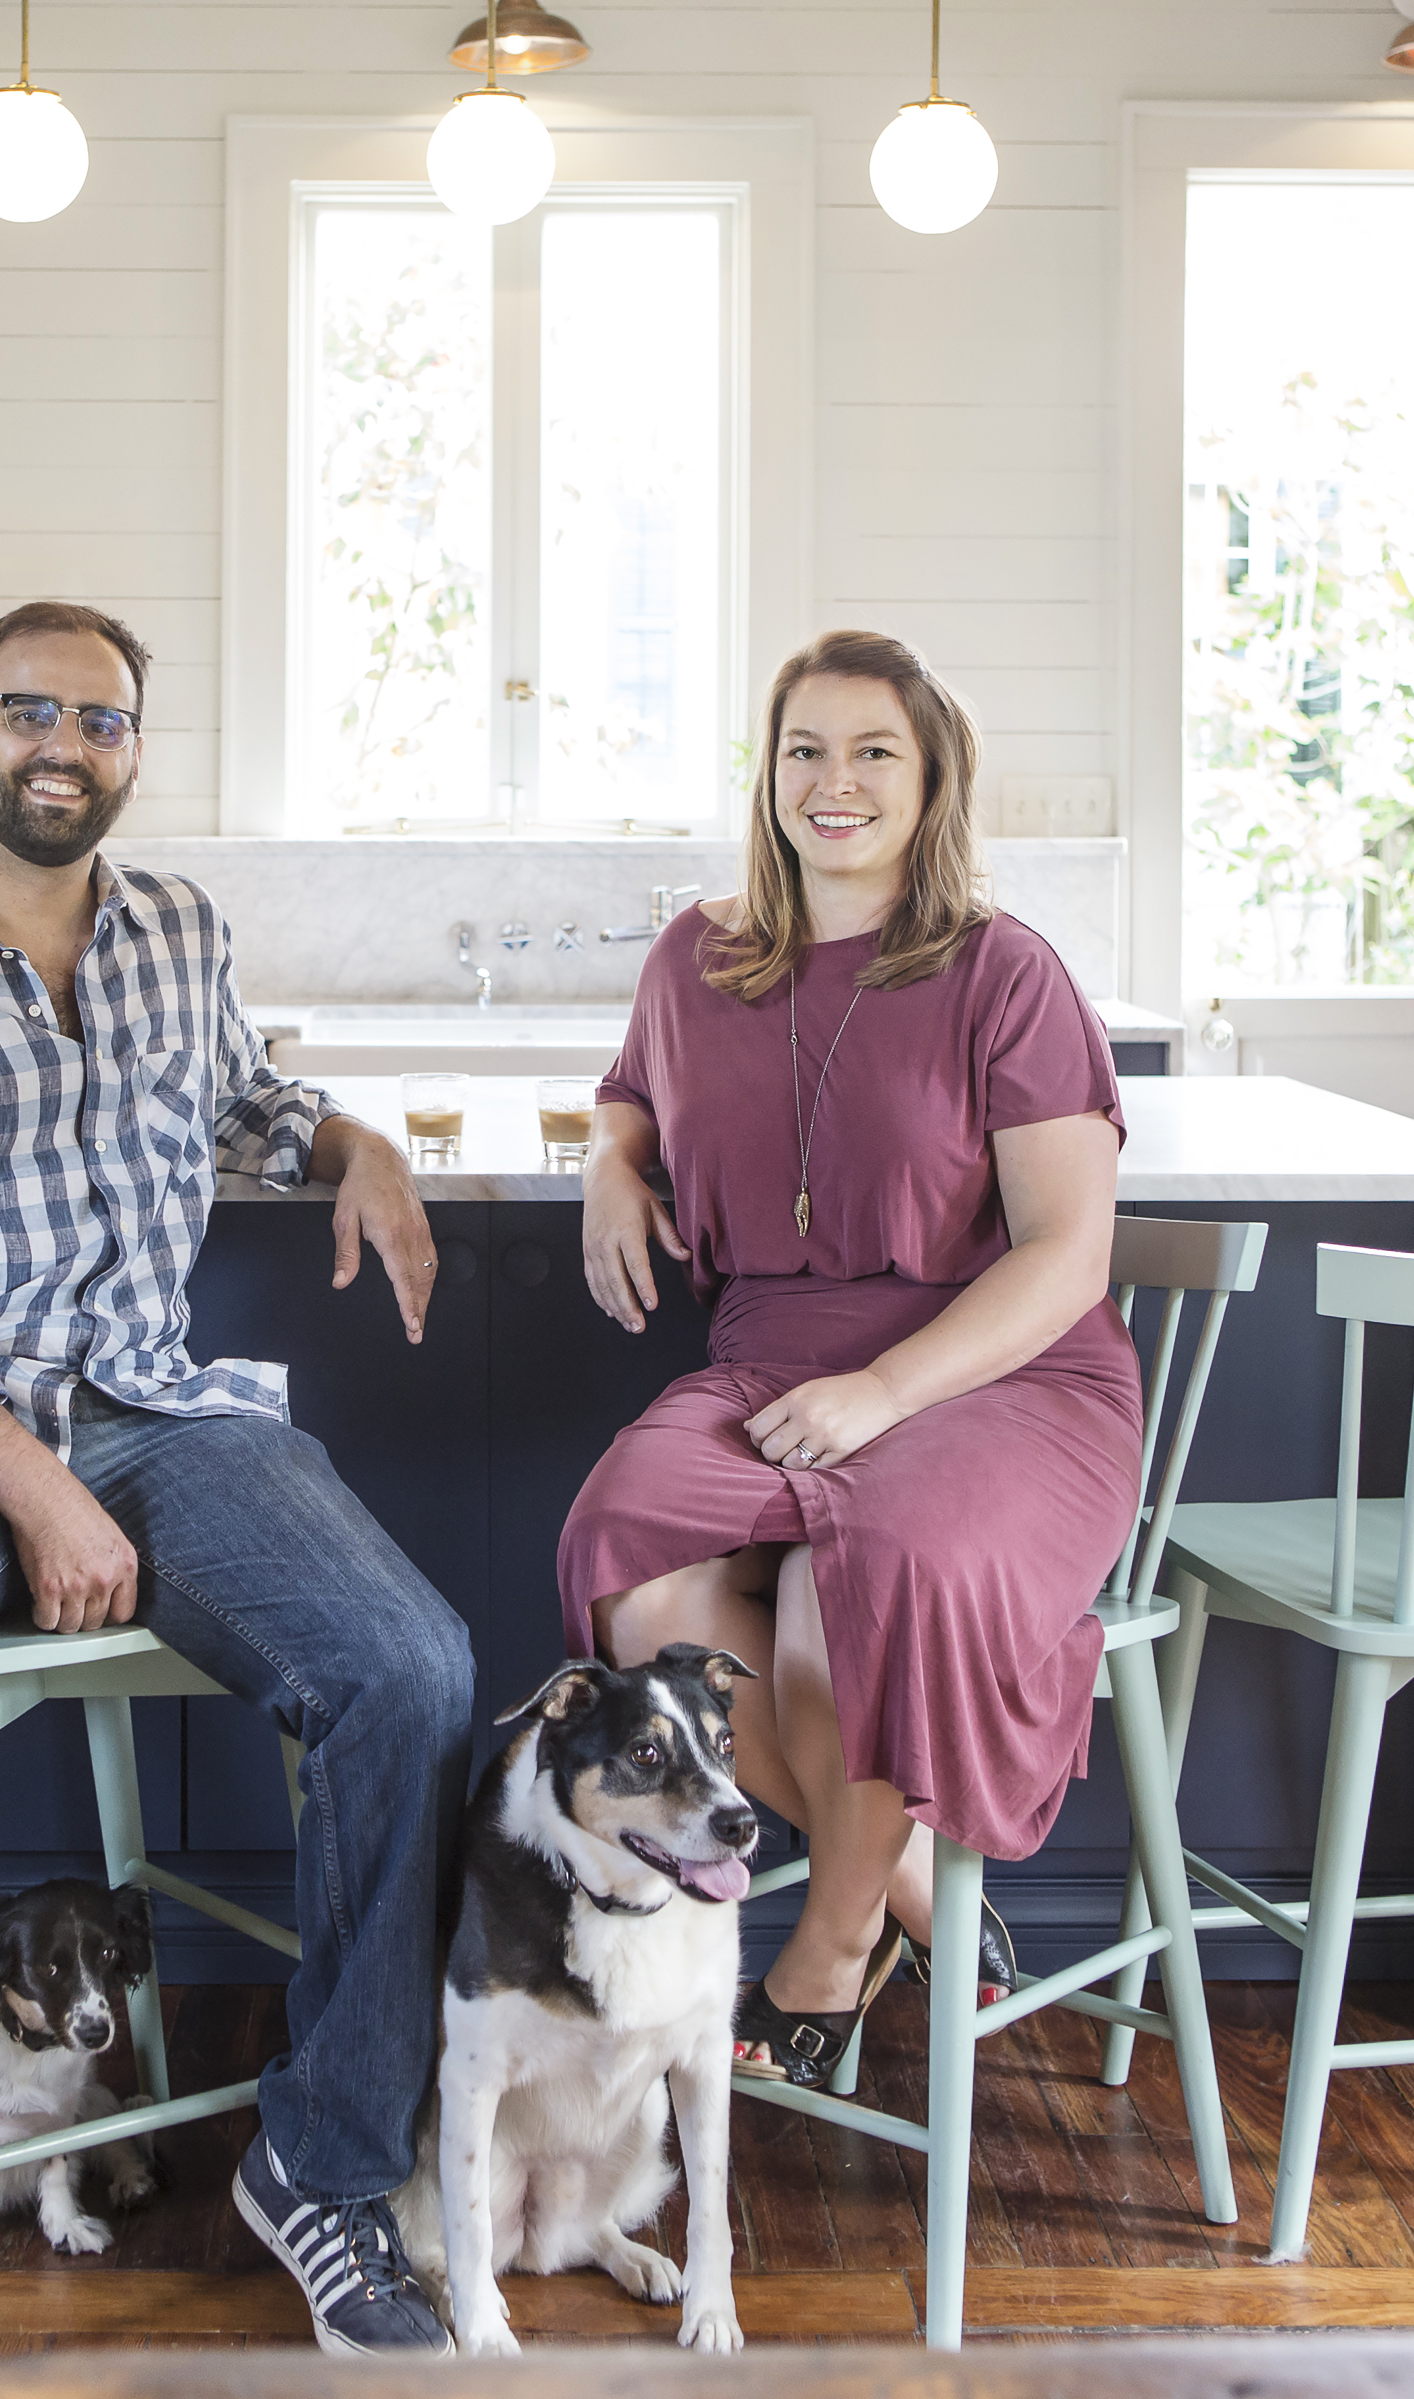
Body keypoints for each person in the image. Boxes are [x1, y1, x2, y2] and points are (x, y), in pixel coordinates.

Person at [0, 600, 473, 2355]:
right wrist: (31, 1489)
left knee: (411, 1672)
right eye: (31, 712)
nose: (65, 745)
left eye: (104, 720)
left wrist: (350, 1141)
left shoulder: (177, 937)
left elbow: (237, 1102)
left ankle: (326, 2167)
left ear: (135, 749)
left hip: (151, 1407)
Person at [559, 627, 1138, 2088]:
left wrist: (888, 1393)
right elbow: (632, 1095)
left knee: (865, 1567)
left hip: (1000, 1376)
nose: (836, 781)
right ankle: (916, 1895)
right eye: (805, 749)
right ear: (767, 776)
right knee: (631, 1564)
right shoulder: (699, 959)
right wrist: (608, 1167)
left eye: (875, 750)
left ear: (933, 778)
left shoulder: (1007, 975)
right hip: (772, 1364)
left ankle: (823, 1945)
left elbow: (1067, 1250)